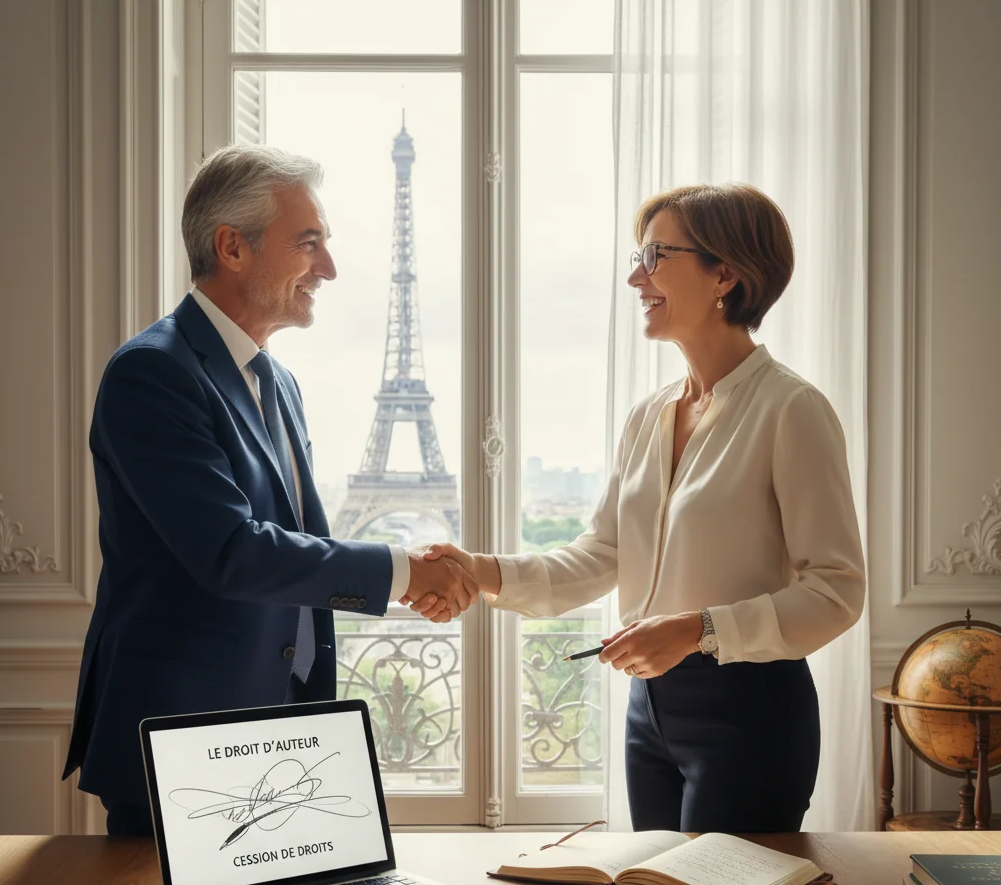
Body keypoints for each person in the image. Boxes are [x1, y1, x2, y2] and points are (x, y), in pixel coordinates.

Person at [415, 183, 866, 833]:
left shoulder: (792, 410)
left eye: (656, 256)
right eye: (638, 255)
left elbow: (836, 591)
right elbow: (601, 555)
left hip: (750, 713)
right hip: (647, 712)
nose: (635, 276)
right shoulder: (650, 415)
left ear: (725, 274)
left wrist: (695, 630)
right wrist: (477, 569)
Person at [63, 145, 477, 836]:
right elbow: (230, 550)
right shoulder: (152, 373)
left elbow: (298, 543)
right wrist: (405, 572)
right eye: (308, 243)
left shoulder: (277, 382)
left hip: (280, 730)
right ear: (232, 247)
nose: (330, 269)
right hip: (182, 733)